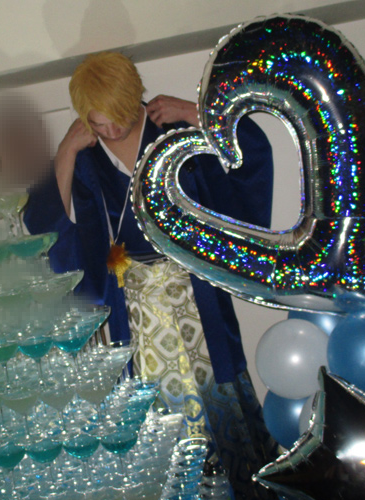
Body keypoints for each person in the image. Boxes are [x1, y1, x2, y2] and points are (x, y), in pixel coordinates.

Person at [22, 52, 276, 498]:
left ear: (134, 98)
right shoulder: (86, 157)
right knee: (151, 413)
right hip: (133, 303)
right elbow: (44, 226)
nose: (111, 131)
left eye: (118, 118)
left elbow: (249, 156)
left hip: (193, 293)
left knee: (219, 398)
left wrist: (198, 114)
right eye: (99, 124)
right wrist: (65, 152)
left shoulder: (172, 131)